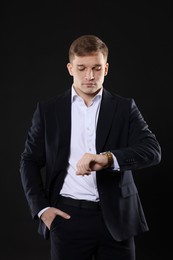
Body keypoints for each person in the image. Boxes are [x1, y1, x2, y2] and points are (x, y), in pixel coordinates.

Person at [20, 34, 161, 260]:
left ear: (105, 69)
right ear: (70, 68)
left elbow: (152, 150)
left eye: (96, 68)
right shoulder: (48, 110)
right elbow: (29, 161)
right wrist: (42, 210)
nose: (89, 76)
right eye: (82, 68)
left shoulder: (125, 108)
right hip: (67, 218)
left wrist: (108, 158)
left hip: (116, 221)